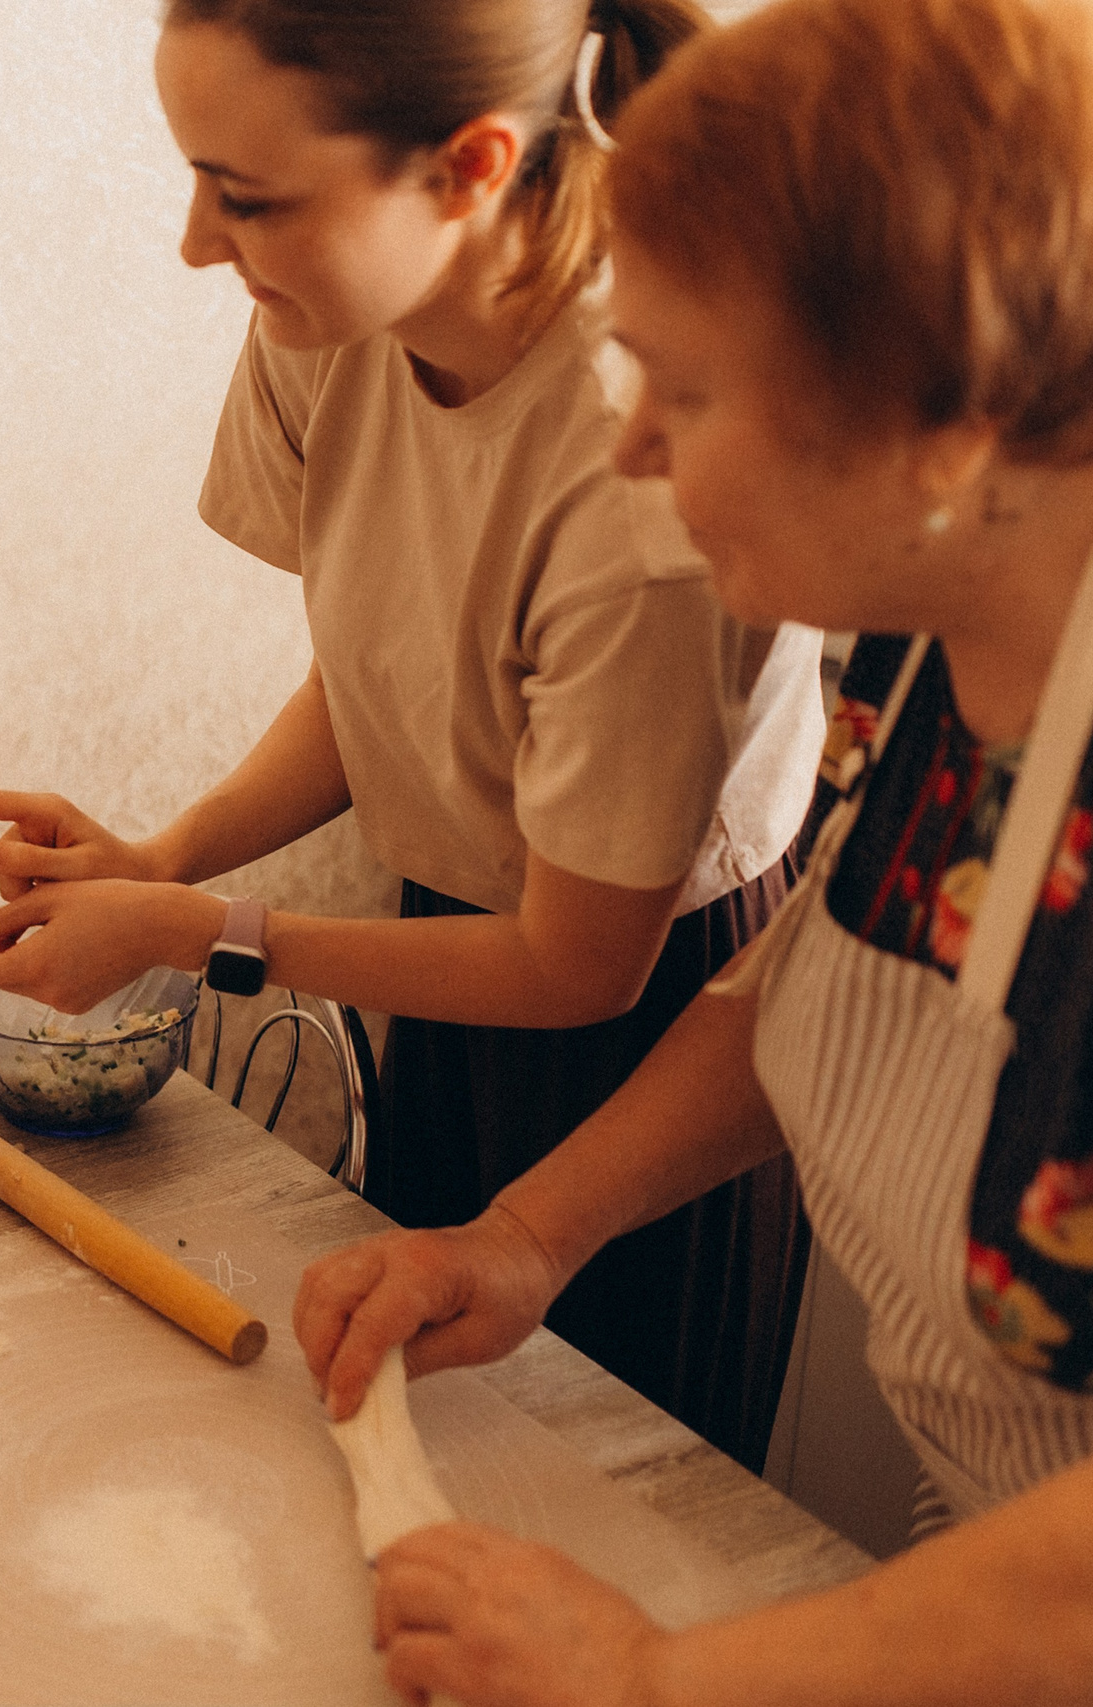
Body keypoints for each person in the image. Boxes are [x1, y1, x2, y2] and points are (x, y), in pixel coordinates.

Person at [292, 0, 1093, 1699]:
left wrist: (657, 1679)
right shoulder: (924, 633)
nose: (633, 442)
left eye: (688, 386)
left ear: (941, 436)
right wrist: (522, 1233)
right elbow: (824, 971)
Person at [0, 0, 826, 1469]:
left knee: (602, 1531)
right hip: (456, 967)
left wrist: (200, 921)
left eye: (249, 197)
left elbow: (575, 961)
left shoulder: (639, 479)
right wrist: (168, 853)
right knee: (422, 1474)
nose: (194, 242)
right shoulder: (327, 318)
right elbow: (395, 666)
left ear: (470, 167)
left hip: (656, 1023)